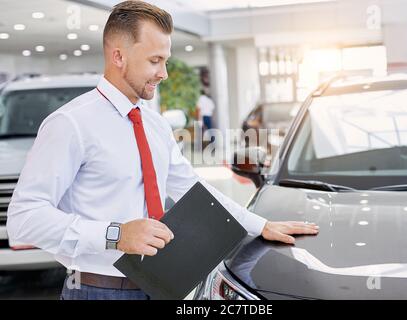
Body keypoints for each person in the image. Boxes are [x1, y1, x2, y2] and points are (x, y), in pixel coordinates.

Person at [6, 1, 319, 300]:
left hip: (159, 287)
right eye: (155, 61)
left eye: (165, 61)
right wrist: (115, 234)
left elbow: (195, 190)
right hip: (96, 289)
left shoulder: (154, 126)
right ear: (118, 57)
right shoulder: (70, 124)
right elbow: (24, 217)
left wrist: (260, 224)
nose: (164, 73)